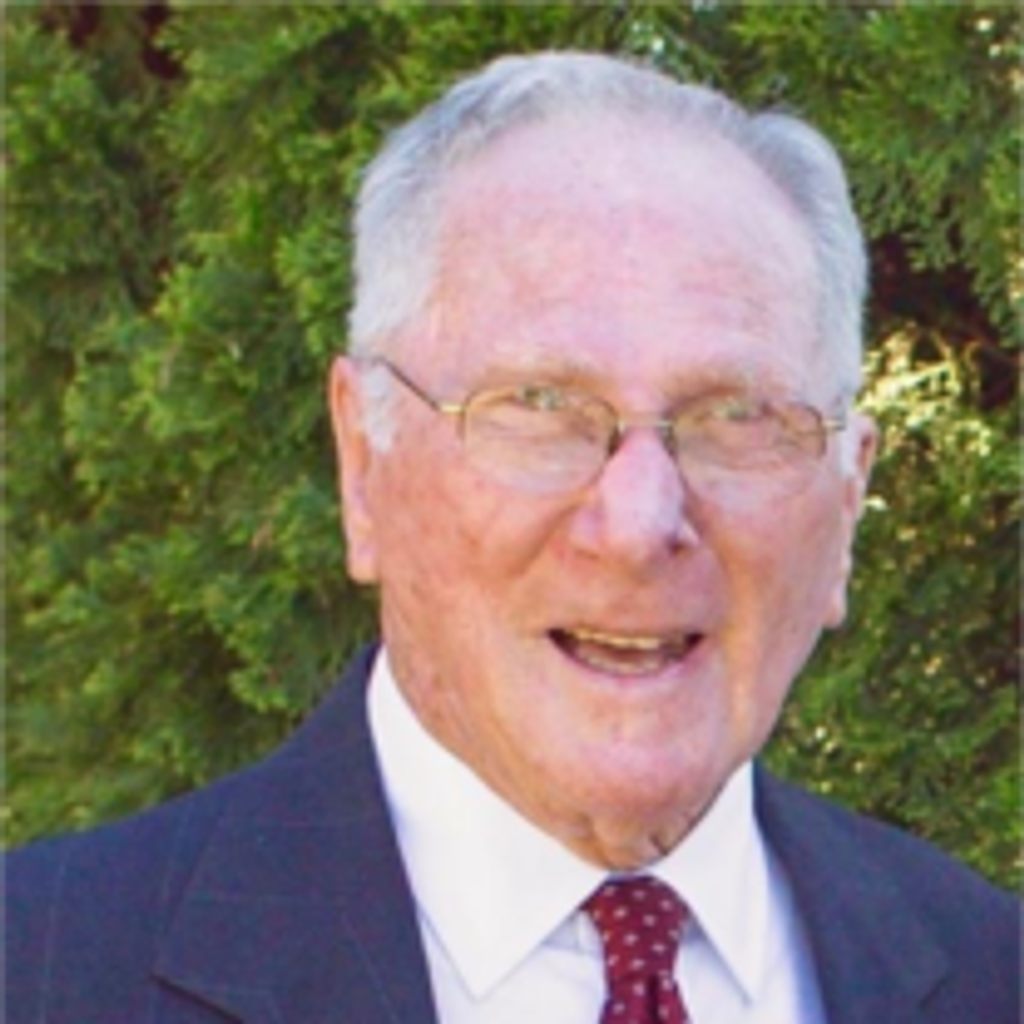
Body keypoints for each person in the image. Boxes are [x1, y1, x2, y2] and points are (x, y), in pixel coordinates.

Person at [2, 51, 1021, 1024]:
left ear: (846, 499)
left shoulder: (992, 975)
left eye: (734, 417)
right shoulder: (43, 973)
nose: (638, 523)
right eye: (538, 407)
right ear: (363, 462)